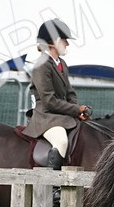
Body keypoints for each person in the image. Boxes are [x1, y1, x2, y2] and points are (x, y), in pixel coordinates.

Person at [21, 17, 90, 172]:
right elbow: (49, 101)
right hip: (46, 117)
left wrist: (78, 110)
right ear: (53, 42)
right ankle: (53, 186)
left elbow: (70, 92)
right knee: (61, 141)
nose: (68, 43)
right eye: (64, 40)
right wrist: (75, 109)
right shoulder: (41, 65)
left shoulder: (61, 63)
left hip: (62, 115)